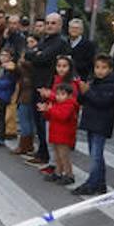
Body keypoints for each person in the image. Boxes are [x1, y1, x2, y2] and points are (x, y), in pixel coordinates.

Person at [23, 13, 69, 168]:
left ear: (60, 25)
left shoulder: (60, 42)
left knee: (45, 122)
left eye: (53, 23)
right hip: (38, 84)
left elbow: (42, 58)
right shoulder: (44, 40)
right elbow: (29, 54)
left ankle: (50, 157)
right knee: (38, 120)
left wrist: (37, 54)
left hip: (49, 86)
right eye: (48, 22)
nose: (49, 25)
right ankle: (42, 152)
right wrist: (36, 53)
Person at [73, 53, 114, 195]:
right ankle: (100, 183)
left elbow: (102, 102)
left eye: (104, 68)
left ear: (110, 69)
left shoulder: (111, 85)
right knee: (95, 154)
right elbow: (83, 100)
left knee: (96, 155)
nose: (100, 70)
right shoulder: (94, 81)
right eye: (97, 67)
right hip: (91, 121)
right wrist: (82, 90)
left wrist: (87, 92)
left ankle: (92, 183)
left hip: (101, 123)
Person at [36, 55, 79, 183]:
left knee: (63, 153)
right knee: (56, 151)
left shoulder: (72, 84)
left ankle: (69, 174)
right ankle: (58, 172)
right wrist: (46, 108)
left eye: (64, 66)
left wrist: (51, 98)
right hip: (55, 124)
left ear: (70, 67)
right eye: (59, 66)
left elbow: (64, 111)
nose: (61, 69)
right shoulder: (56, 79)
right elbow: (55, 104)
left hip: (64, 128)